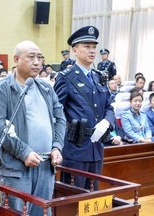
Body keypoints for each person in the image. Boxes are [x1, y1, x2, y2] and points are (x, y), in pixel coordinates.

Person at [0, 40, 66, 215]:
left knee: (42, 212)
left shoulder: (46, 88)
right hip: (18, 169)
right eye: (31, 57)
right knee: (17, 213)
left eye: (40, 57)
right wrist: (24, 153)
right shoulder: (3, 89)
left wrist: (57, 147)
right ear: (16, 59)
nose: (37, 62)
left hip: (46, 165)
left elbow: (60, 118)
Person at [54, 26, 115, 190]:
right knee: (74, 197)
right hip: (76, 148)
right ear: (74, 50)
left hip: (96, 147)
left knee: (93, 194)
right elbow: (56, 112)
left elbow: (109, 106)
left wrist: (107, 122)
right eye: (87, 47)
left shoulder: (99, 77)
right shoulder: (66, 77)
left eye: (94, 47)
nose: (92, 51)